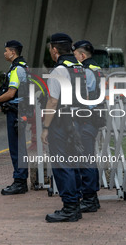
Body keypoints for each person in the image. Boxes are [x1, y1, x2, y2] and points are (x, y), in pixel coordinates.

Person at [41, 33, 87, 222]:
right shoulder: (78, 67)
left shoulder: (59, 70)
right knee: (73, 164)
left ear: (54, 50)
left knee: (62, 165)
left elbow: (53, 101)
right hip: (79, 122)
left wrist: (45, 127)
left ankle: (69, 208)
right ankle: (75, 205)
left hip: (61, 123)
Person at [0, 40, 29, 195]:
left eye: (6, 51)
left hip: (16, 112)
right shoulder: (22, 66)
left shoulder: (16, 69)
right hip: (21, 110)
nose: (4, 53)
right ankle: (21, 179)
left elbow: (11, 93)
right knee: (20, 147)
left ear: (13, 52)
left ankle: (20, 182)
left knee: (17, 147)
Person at [72, 40, 103, 213]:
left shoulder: (85, 71)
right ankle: (93, 198)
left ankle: (89, 199)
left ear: (82, 55)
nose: (74, 58)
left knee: (85, 158)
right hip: (94, 117)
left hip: (86, 119)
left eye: (75, 54)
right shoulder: (97, 69)